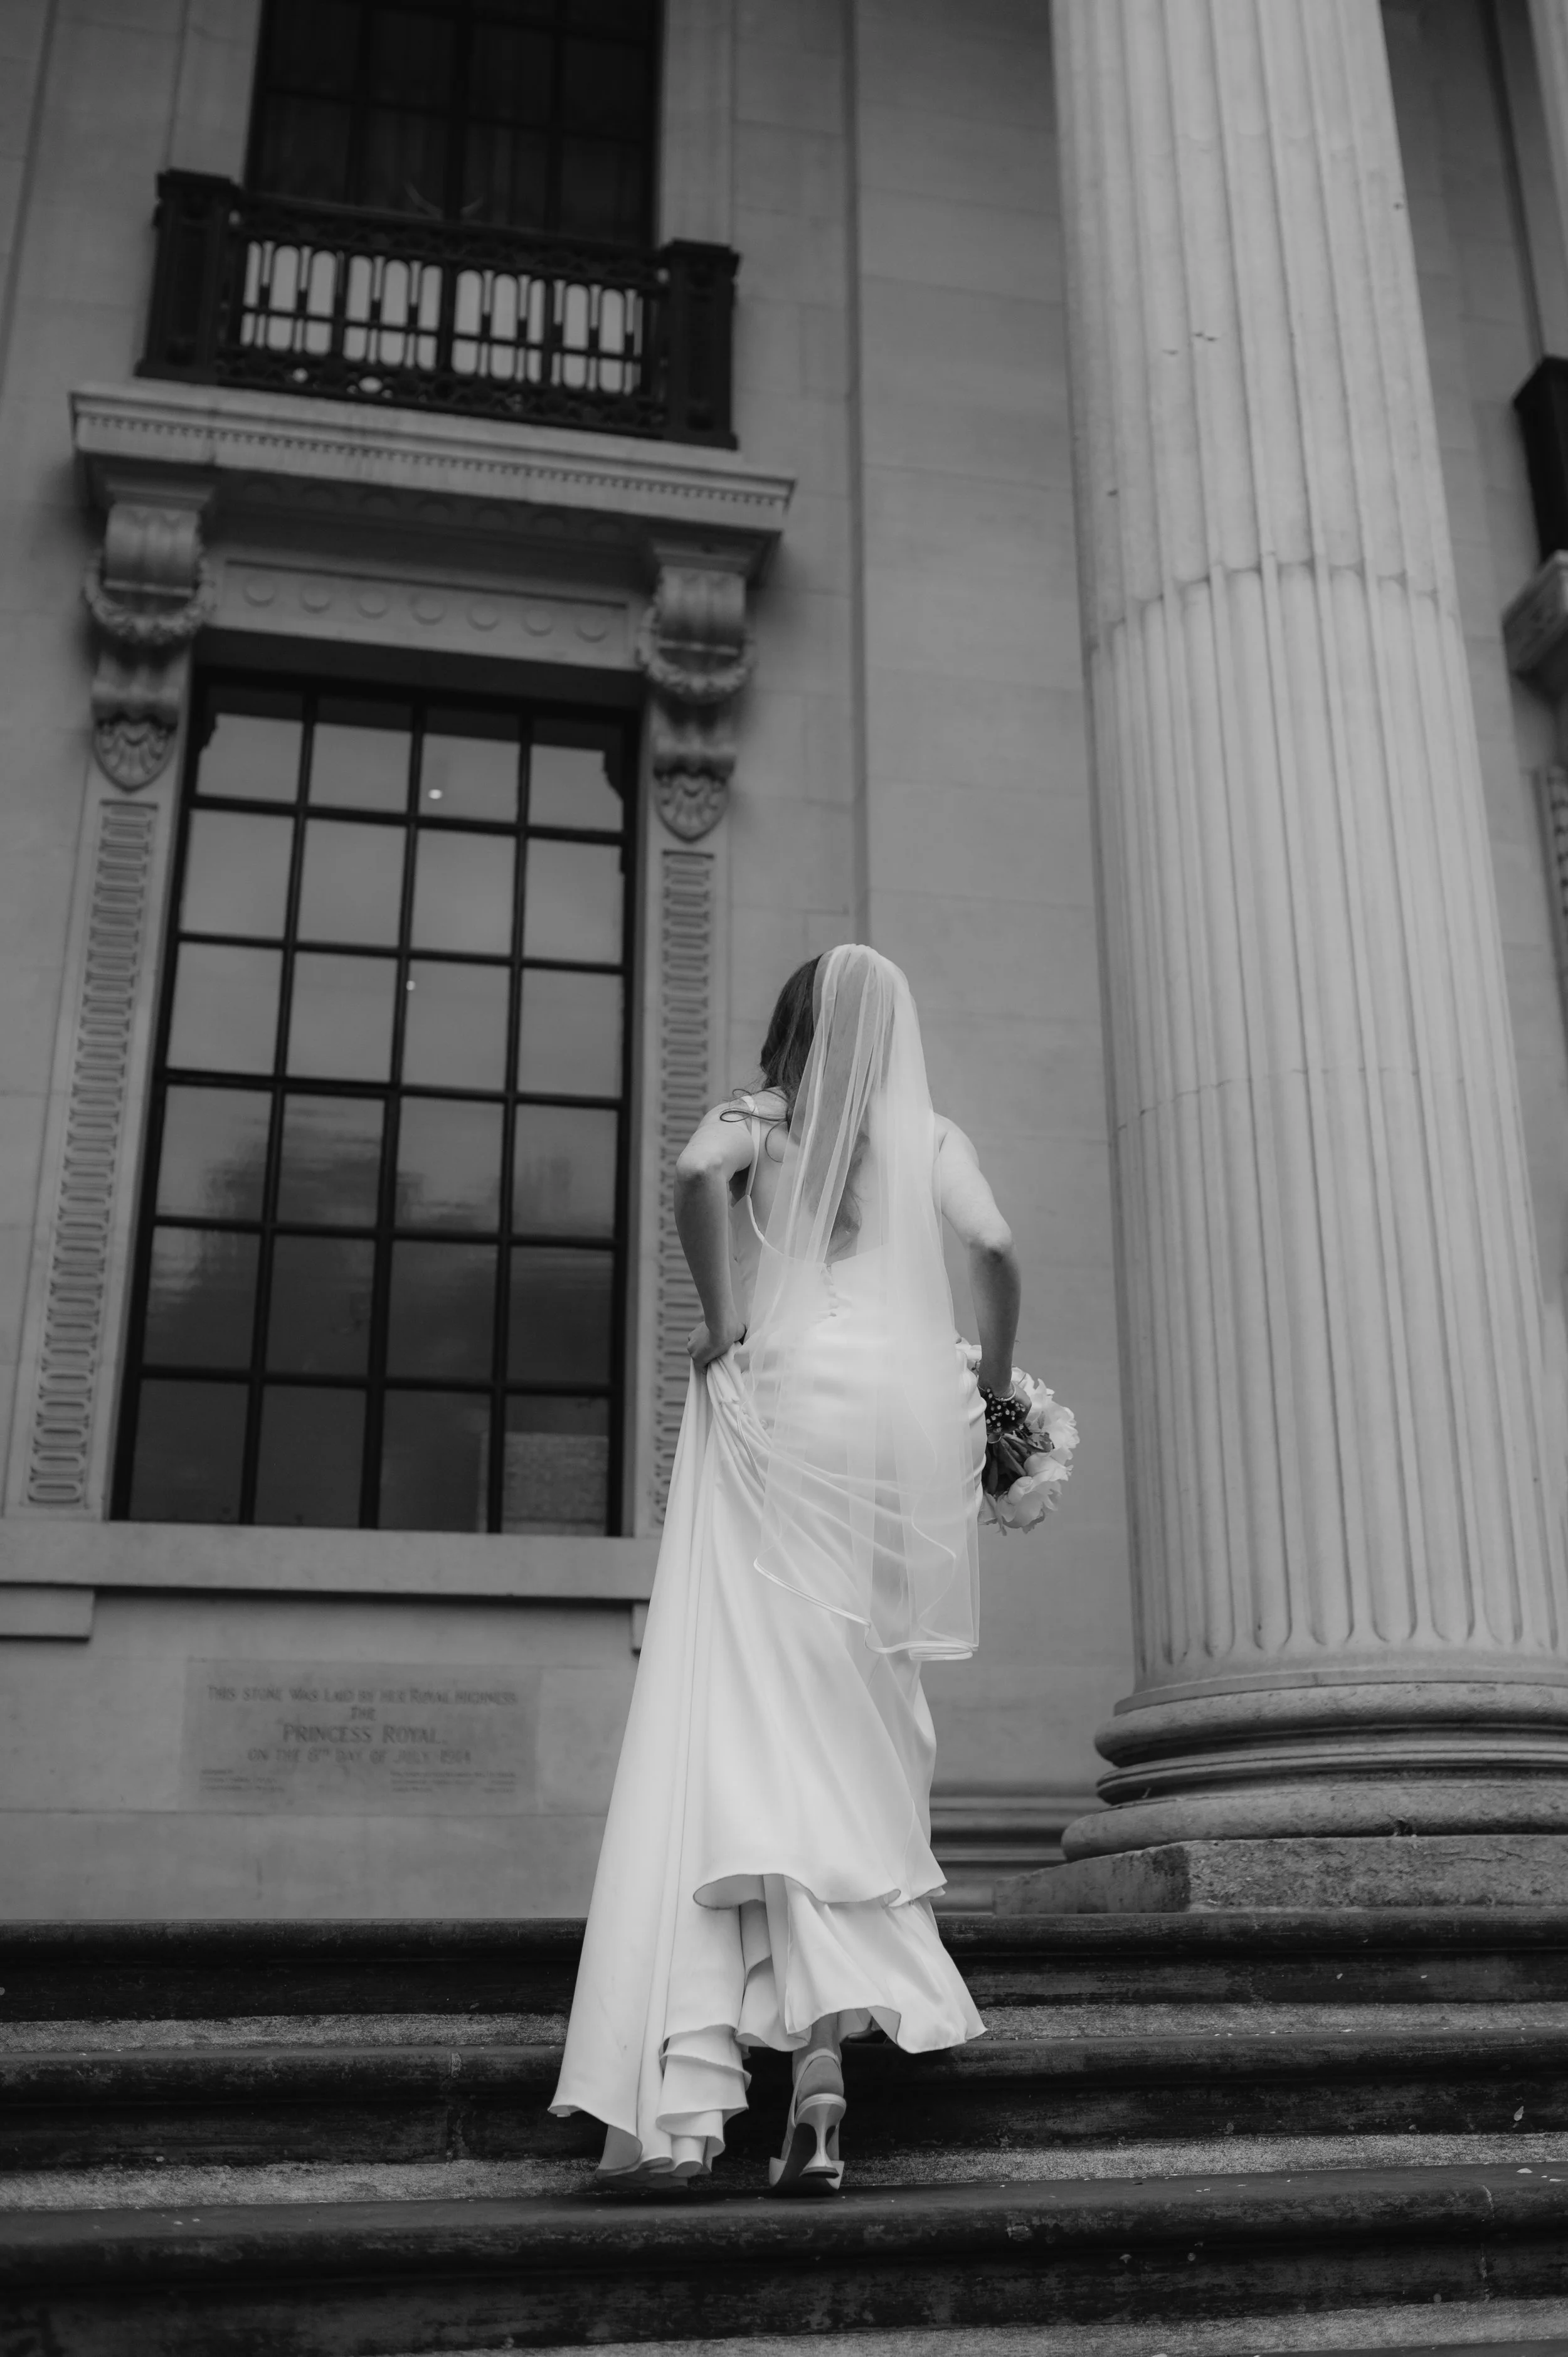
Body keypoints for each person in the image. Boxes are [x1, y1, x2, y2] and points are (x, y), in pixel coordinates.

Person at [549, 944, 1022, 2193]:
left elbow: (693, 1174)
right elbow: (994, 1244)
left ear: (789, 1028)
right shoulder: (931, 1140)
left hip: (783, 1402)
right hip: (897, 1424)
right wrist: (987, 1388)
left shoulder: (757, 1121)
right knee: (857, 1698)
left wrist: (723, 1322)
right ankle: (818, 2056)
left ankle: (762, 2045)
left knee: (761, 1702)